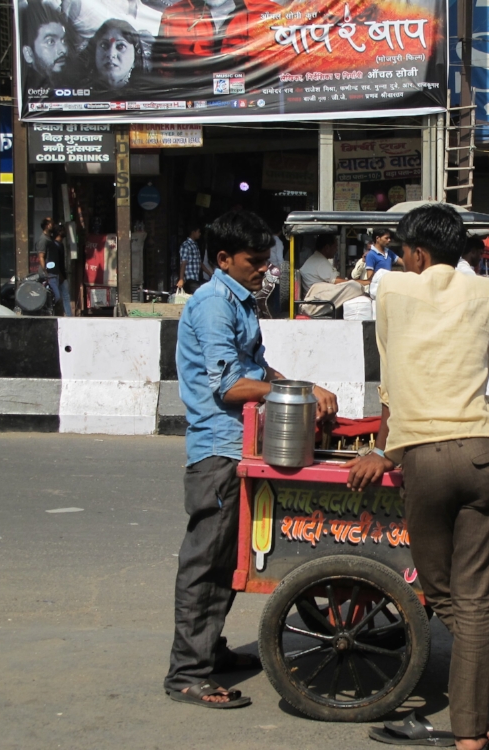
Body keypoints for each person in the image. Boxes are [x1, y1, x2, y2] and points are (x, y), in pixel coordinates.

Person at [344, 203, 489, 750]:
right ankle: (486, 724)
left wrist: (386, 451)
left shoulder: (389, 288)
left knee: (444, 594)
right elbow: (476, 361)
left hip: (428, 457)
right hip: (485, 453)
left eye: (404, 252)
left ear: (416, 252)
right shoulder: (488, 293)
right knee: (474, 598)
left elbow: (391, 378)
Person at [165, 209, 337, 709]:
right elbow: (230, 386)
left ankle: (208, 651)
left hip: (238, 447)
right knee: (206, 563)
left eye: (266, 261)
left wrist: (298, 387)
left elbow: (257, 369)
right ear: (224, 259)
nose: (265, 270)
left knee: (227, 561)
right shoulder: (214, 304)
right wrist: (300, 391)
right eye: (255, 262)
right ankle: (187, 673)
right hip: (218, 451)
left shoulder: (239, 303)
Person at [299, 234, 368, 316]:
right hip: (317, 300)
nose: (336, 250)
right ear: (327, 248)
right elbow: (339, 282)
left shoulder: (317, 259)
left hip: (320, 295)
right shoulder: (320, 262)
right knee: (354, 287)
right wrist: (366, 282)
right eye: (335, 247)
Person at [20, 0, 72, 88]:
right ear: (28, 53)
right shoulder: (25, 91)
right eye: (50, 42)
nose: (63, 50)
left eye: (64, 41)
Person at [87, 19, 146, 92]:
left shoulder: (145, 95)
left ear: (135, 57)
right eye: (104, 45)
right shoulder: (78, 94)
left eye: (120, 46)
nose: (111, 54)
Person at [46, 227, 73, 317]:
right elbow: (54, 261)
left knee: (65, 295)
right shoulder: (53, 245)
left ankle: (69, 315)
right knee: (57, 296)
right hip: (56, 274)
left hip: (61, 274)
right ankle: (56, 315)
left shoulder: (60, 245)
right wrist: (59, 274)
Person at [177, 224, 210, 294]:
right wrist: (181, 279)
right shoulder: (186, 245)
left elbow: (199, 263)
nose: (200, 234)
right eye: (198, 232)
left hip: (196, 278)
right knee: (201, 293)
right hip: (189, 279)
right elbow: (183, 263)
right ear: (193, 232)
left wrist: (210, 273)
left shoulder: (195, 245)